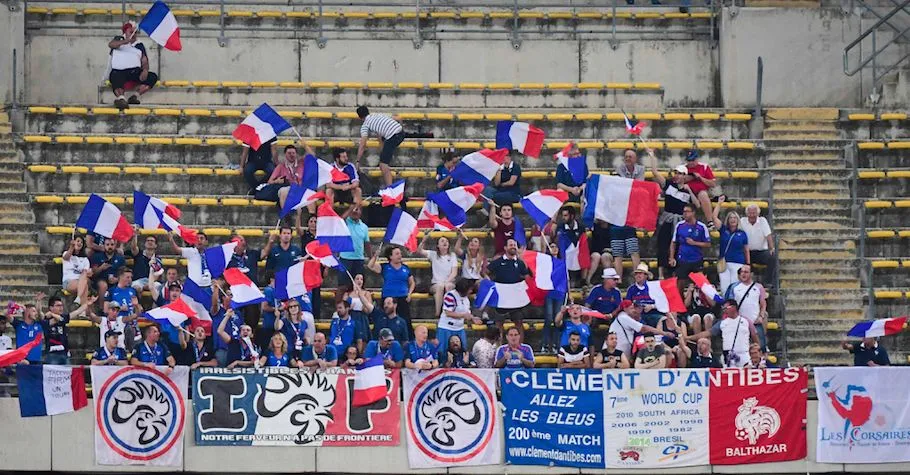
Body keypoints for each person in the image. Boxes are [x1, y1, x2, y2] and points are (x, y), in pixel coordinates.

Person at [649, 149, 697, 279]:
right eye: (676, 173)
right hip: (668, 219)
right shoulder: (669, 184)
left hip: (680, 221)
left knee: (677, 246)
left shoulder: (687, 191)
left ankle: (674, 273)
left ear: (684, 176)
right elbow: (655, 173)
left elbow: (697, 205)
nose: (677, 175)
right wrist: (652, 157)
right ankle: (661, 274)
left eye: (680, 173)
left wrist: (690, 191)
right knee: (662, 244)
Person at [609, 149, 646, 279]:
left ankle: (638, 278)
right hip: (617, 221)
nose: (628, 158)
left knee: (633, 252)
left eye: (630, 156)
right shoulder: (618, 174)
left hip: (629, 219)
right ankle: (618, 280)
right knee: (618, 255)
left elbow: (639, 186)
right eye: (626, 156)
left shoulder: (640, 170)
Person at [691, 299, 759, 368]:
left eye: (726, 308)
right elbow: (708, 333)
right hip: (728, 356)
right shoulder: (722, 323)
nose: (724, 311)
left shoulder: (746, 321)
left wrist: (758, 349)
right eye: (723, 309)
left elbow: (754, 335)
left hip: (744, 355)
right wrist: (689, 337)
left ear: (733, 307)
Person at [487, 238, 532, 340]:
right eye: (511, 245)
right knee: (499, 323)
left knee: (519, 323)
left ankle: (519, 346)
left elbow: (527, 277)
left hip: (515, 299)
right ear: (505, 248)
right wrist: (489, 282)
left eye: (515, 245)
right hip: (501, 299)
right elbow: (485, 271)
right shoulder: (498, 261)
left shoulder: (520, 263)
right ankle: (498, 345)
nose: (513, 247)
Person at [107, 21, 158, 110]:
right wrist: (125, 41)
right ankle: (121, 99)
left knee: (152, 77)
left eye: (135, 32)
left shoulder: (139, 45)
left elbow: (144, 60)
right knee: (115, 76)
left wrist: (145, 70)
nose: (133, 34)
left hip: (134, 71)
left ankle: (135, 96)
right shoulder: (119, 39)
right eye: (131, 32)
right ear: (125, 32)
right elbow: (111, 44)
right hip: (119, 71)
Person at [367, 246, 415, 340]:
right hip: (387, 298)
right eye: (397, 254)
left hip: (402, 297)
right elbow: (370, 266)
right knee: (383, 320)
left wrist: (409, 293)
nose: (400, 255)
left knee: (405, 321)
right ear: (390, 256)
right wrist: (375, 256)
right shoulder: (384, 267)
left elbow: (412, 282)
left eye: (400, 253)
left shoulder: (406, 268)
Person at [356, 106, 404, 187]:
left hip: (393, 137)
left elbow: (363, 144)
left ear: (360, 117)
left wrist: (358, 161)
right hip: (401, 132)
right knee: (384, 153)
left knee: (383, 165)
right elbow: (398, 118)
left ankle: (390, 189)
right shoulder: (377, 115)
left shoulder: (365, 125)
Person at [724, 265, 768, 352]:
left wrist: (761, 316)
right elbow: (729, 303)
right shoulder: (734, 287)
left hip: (755, 321)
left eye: (746, 272)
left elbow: (763, 303)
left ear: (751, 274)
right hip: (739, 322)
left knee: (761, 346)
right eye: (741, 272)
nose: (743, 274)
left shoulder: (758, 287)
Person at [711, 196, 750, 293]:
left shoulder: (742, 233)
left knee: (735, 287)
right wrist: (719, 203)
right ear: (727, 220)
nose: (733, 220)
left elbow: (746, 249)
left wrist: (748, 263)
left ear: (738, 220)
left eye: (735, 218)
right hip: (724, 262)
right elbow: (714, 217)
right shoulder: (723, 230)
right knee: (724, 287)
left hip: (737, 262)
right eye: (730, 218)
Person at [436, 278, 478, 362]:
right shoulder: (450, 296)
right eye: (469, 289)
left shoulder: (466, 299)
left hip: (459, 328)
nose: (471, 291)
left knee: (462, 350)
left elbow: (467, 313)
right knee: (443, 352)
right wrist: (463, 315)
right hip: (446, 327)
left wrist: (473, 318)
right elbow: (448, 313)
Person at [416, 234, 459, 316]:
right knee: (440, 286)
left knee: (448, 286)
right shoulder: (433, 254)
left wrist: (446, 281)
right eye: (442, 241)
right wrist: (423, 241)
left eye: (446, 241)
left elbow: (454, 273)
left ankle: (449, 311)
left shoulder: (452, 256)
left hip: (449, 282)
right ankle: (438, 314)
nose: (445, 242)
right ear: (438, 245)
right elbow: (419, 251)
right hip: (436, 284)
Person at [43, 296, 92, 365]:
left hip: (64, 353)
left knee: (68, 371)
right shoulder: (46, 320)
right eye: (58, 306)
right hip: (52, 354)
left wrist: (87, 304)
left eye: (62, 305)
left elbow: (77, 311)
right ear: (51, 308)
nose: (61, 308)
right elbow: (56, 319)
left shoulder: (64, 317)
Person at [669, 204, 711, 281]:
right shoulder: (679, 225)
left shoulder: (701, 226)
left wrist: (694, 243)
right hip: (682, 259)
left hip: (696, 259)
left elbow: (708, 244)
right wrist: (671, 258)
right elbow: (673, 242)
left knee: (699, 282)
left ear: (693, 212)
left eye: (687, 211)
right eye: (684, 211)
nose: (685, 214)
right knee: (680, 282)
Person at [740, 204, 777, 284]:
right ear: (747, 214)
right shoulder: (742, 221)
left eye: (754, 213)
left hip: (761, 252)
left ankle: (768, 282)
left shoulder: (763, 221)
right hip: (747, 252)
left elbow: (768, 235)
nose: (752, 215)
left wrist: (772, 248)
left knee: (772, 258)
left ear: (758, 213)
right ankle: (745, 282)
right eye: (750, 213)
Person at [681, 149, 718, 224]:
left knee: (703, 194)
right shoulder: (683, 167)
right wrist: (693, 176)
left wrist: (700, 178)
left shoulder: (704, 167)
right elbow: (678, 180)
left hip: (700, 192)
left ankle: (710, 221)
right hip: (687, 192)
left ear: (697, 159)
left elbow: (713, 183)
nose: (690, 162)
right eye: (689, 160)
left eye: (692, 160)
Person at [106, 268, 141, 349]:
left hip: (133, 324)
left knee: (135, 351)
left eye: (131, 277)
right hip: (118, 326)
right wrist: (120, 308)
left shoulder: (133, 291)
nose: (130, 280)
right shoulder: (112, 291)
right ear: (120, 277)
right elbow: (105, 309)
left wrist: (136, 306)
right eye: (127, 277)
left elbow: (139, 309)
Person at [8, 294, 46, 364]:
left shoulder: (39, 324)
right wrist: (18, 307)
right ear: (27, 312)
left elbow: (41, 315)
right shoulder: (18, 324)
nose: (36, 313)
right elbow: (7, 315)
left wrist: (38, 301)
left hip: (37, 361)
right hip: (22, 360)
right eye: (33, 311)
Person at [338, 205, 371, 286]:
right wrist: (351, 208)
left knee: (359, 286)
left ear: (361, 212)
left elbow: (366, 243)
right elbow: (340, 219)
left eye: (357, 209)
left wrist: (371, 257)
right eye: (353, 210)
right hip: (345, 259)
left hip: (359, 260)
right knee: (343, 286)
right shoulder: (344, 223)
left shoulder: (364, 227)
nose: (355, 211)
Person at [341, 274, 372, 353]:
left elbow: (369, 309)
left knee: (361, 339)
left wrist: (364, 308)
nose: (359, 281)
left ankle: (360, 355)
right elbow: (342, 307)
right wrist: (349, 308)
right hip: (350, 316)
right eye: (357, 279)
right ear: (353, 281)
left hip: (361, 317)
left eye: (361, 279)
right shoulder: (347, 294)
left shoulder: (366, 293)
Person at [62, 236, 92, 304]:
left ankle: (79, 299)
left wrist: (89, 272)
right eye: (78, 241)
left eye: (81, 242)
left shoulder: (85, 259)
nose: (79, 243)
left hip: (81, 280)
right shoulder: (66, 253)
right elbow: (66, 257)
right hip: (69, 281)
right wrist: (71, 247)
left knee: (84, 279)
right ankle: (81, 304)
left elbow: (86, 272)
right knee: (84, 285)